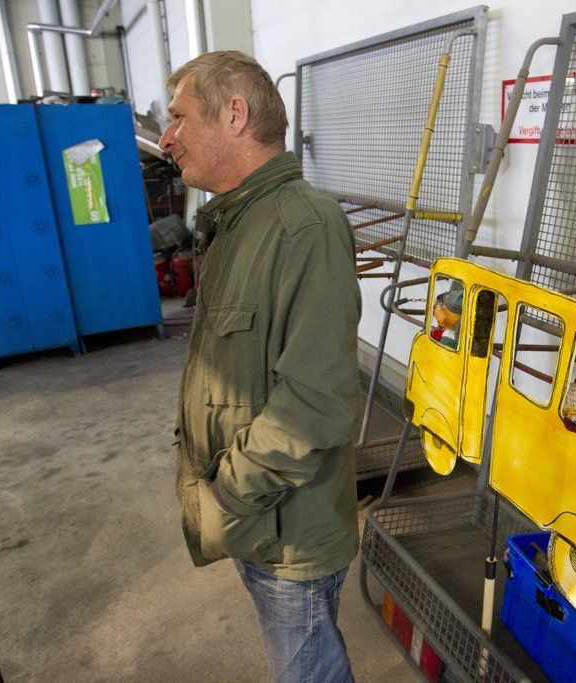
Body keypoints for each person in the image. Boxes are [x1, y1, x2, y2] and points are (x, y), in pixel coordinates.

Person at [161, 51, 361, 682]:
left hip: (283, 530)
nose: (166, 139)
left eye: (179, 118)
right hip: (255, 519)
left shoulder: (303, 227)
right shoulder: (238, 221)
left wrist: (227, 492)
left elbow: (316, 400)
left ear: (235, 115)